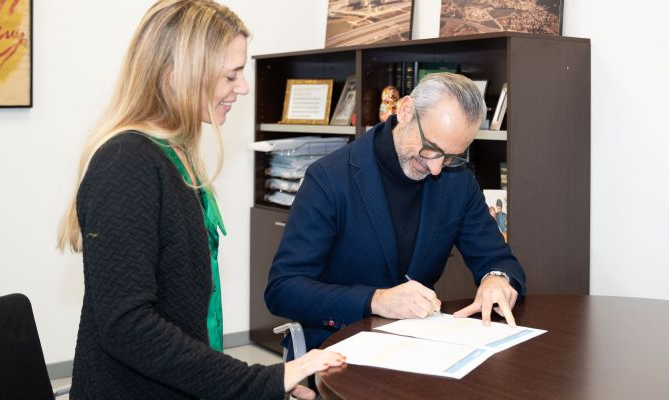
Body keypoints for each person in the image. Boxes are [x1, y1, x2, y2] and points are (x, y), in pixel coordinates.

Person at [57, 1, 344, 399]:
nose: (243, 87)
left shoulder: (175, 156)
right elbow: (128, 325)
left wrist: (244, 379)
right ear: (177, 73)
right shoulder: (127, 163)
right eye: (231, 75)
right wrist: (260, 381)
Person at [265, 73, 526, 353]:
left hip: (417, 349)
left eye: (451, 156)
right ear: (405, 111)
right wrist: (375, 300)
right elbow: (283, 289)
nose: (437, 168)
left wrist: (496, 279)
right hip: (336, 347)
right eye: (431, 149)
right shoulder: (329, 178)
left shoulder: (457, 181)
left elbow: (498, 259)